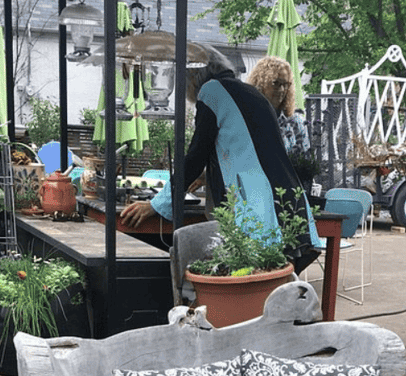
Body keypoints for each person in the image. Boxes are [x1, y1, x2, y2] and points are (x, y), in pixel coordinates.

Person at [119, 45, 318, 274]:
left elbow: (196, 155)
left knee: (247, 279)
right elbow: (248, 149)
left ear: (194, 75)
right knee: (273, 281)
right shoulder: (250, 93)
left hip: (257, 203)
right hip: (287, 201)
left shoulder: (212, 91)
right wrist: (207, 175)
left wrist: (157, 204)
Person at [246, 56, 309, 158]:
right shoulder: (247, 120)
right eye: (275, 83)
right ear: (260, 84)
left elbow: (306, 160)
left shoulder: (297, 122)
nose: (281, 90)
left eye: (286, 84)